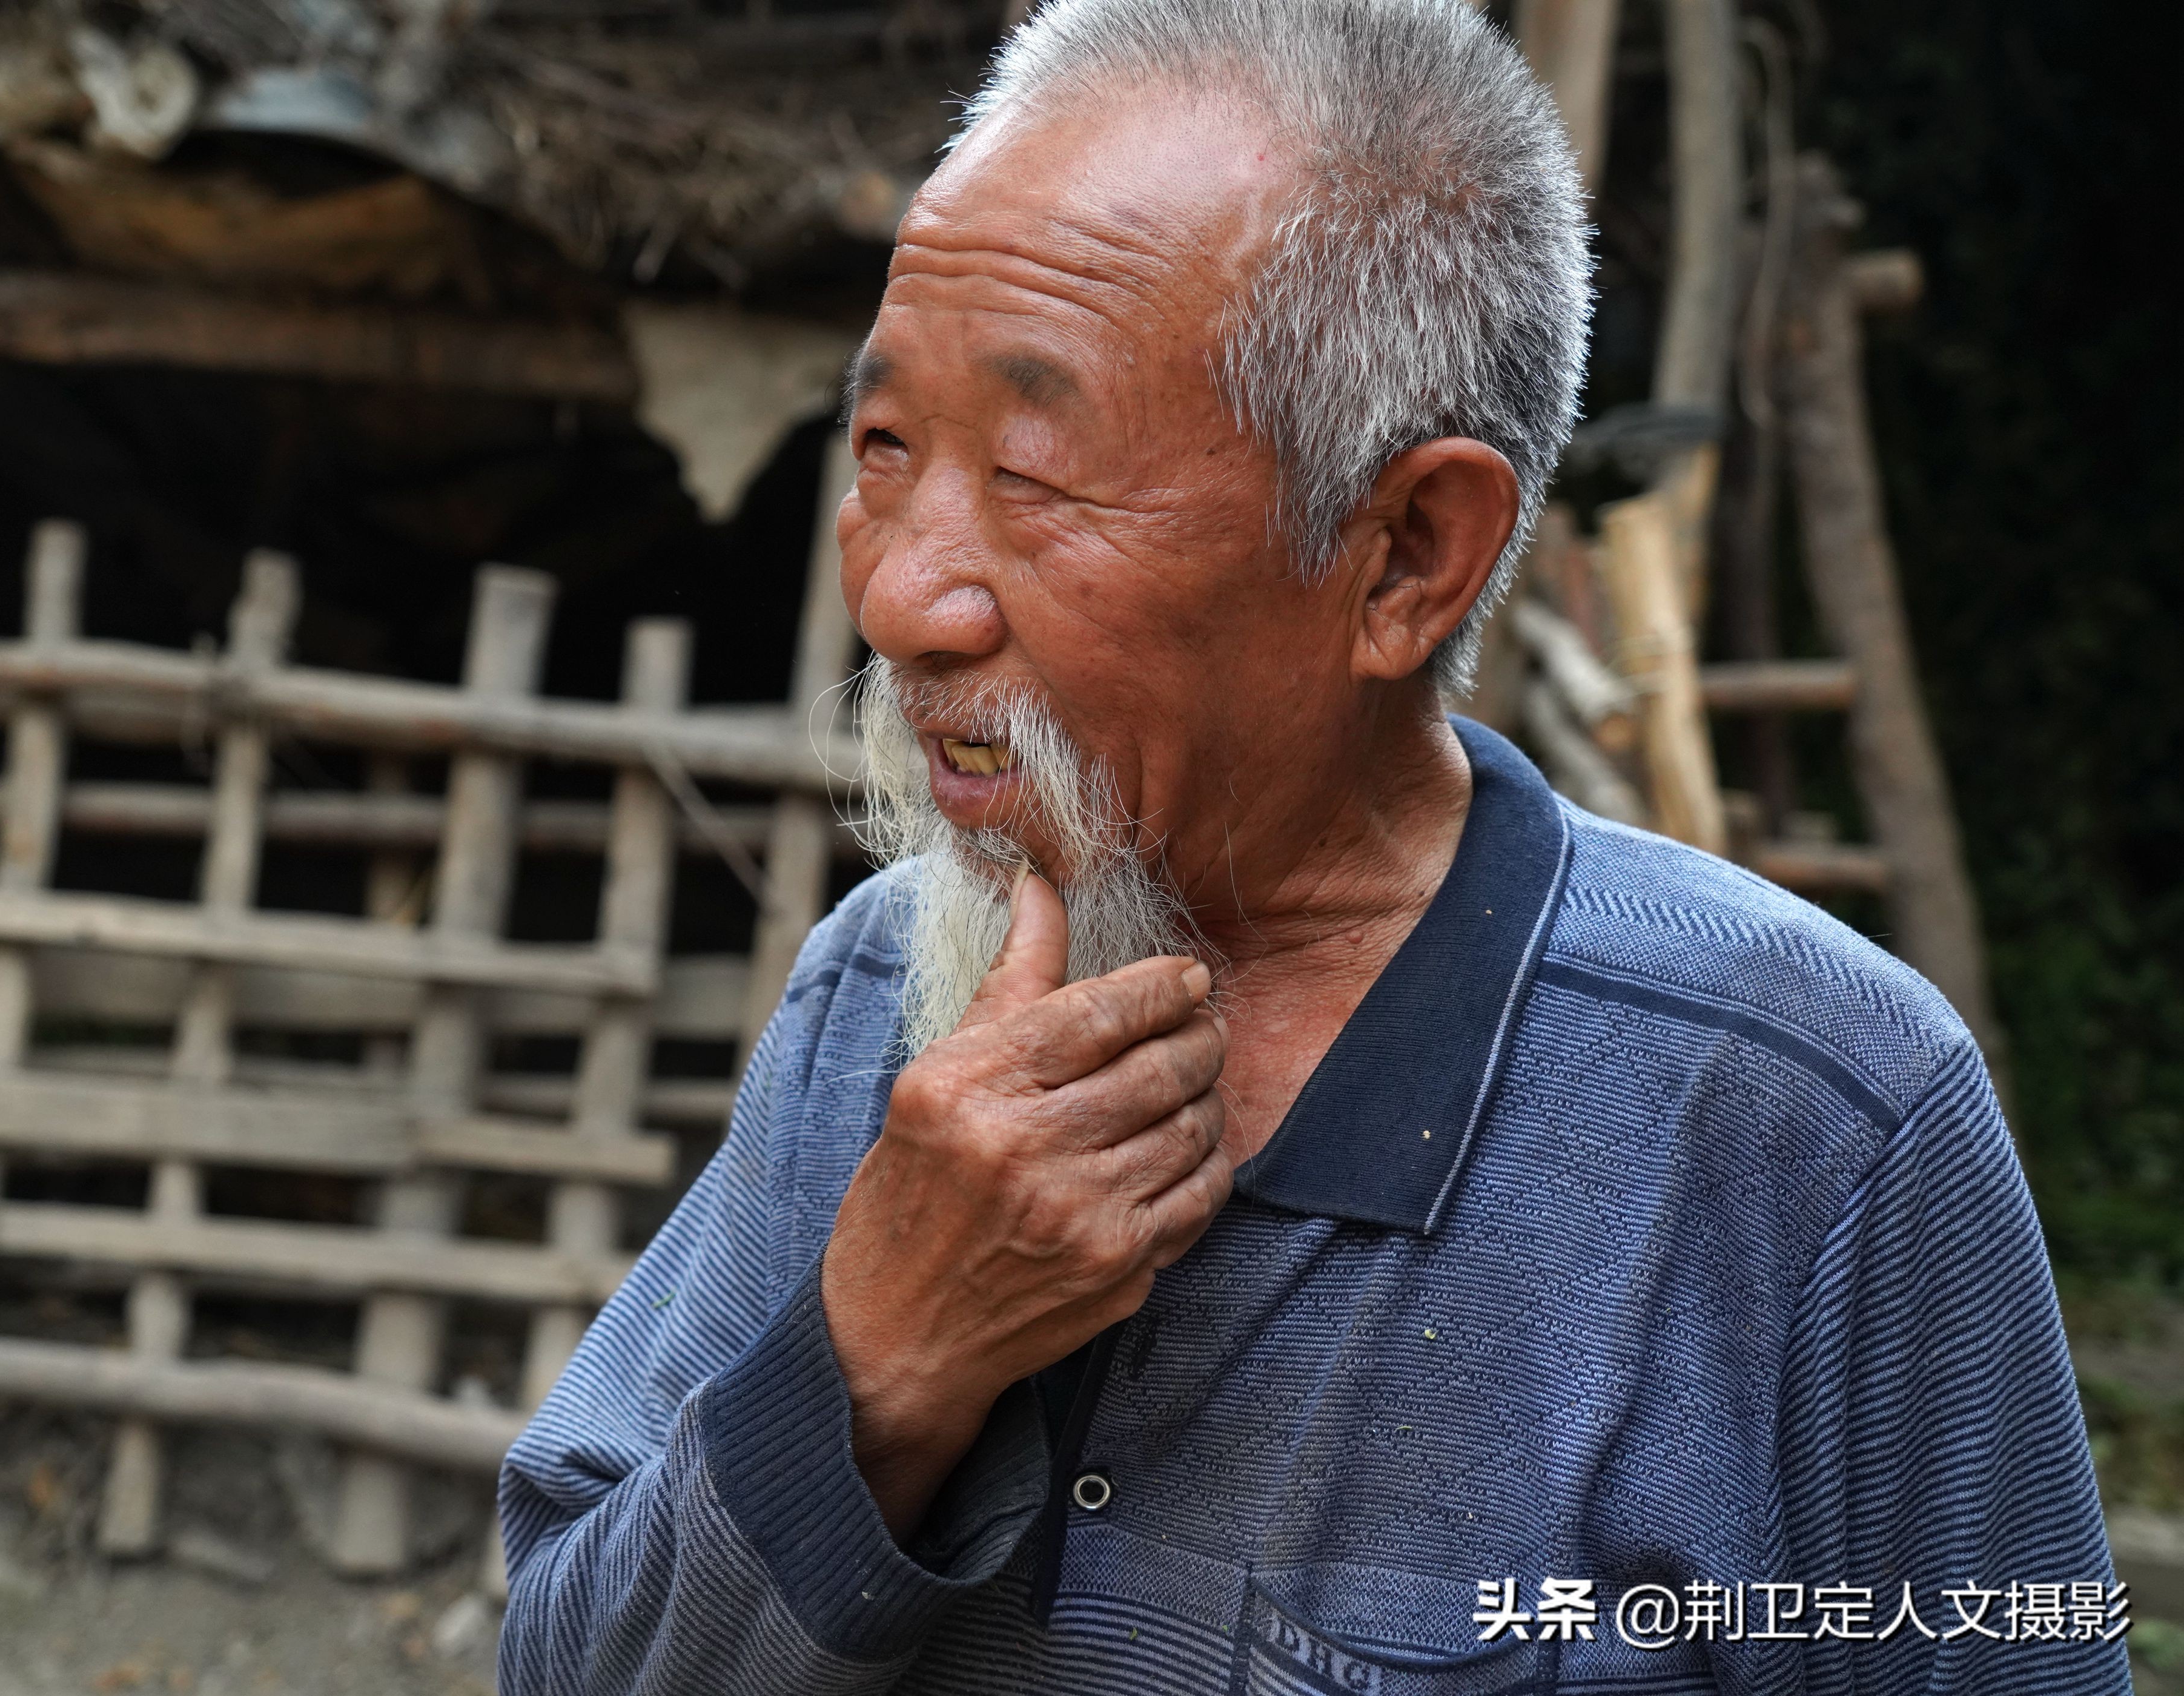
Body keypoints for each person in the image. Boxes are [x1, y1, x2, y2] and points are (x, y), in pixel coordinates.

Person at [497, 2, 2125, 1691]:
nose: (901, 595)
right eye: (888, 448)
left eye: (1038, 473)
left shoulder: (1815, 1117)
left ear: (1409, 553)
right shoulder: (877, 998)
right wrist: (875, 1365)